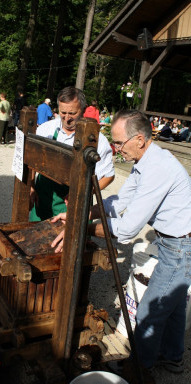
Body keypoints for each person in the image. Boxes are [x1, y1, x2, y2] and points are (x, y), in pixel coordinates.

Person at [51, 109, 191, 375]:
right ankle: (172, 357)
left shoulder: (158, 169)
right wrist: (78, 213)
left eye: (118, 143)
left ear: (138, 139)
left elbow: (126, 230)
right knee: (174, 308)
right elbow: (119, 202)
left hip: (181, 247)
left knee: (150, 311)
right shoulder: (145, 162)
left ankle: (139, 369)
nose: (115, 150)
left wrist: (82, 228)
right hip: (171, 241)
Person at [29, 86, 115, 221]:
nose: (67, 118)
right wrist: (32, 186)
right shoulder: (46, 130)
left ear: (83, 109)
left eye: (72, 113)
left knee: (71, 241)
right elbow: (30, 160)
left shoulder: (97, 140)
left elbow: (108, 176)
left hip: (72, 204)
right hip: (43, 199)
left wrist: (80, 194)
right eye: (63, 113)